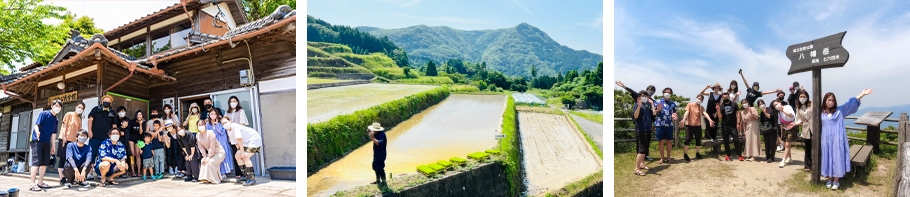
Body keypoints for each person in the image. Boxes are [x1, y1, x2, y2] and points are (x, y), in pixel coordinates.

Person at [821, 89, 872, 190]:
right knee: (828, 157)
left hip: (838, 139)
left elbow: (850, 105)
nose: (831, 102)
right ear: (824, 101)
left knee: (836, 158)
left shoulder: (840, 111)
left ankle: (836, 181)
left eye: (832, 100)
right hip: (826, 140)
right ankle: (829, 179)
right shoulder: (821, 113)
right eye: (828, 100)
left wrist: (862, 94)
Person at [29, 99, 62, 191]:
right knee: (36, 162)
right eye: (56, 106)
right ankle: (32, 183)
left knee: (44, 163)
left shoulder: (56, 119)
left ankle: (40, 182)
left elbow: (54, 134)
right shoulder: (44, 114)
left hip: (47, 142)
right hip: (37, 140)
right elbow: (36, 125)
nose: (57, 108)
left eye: (59, 106)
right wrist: (37, 132)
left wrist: (53, 146)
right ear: (52, 106)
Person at [222, 117, 263, 186]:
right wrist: (240, 152)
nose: (224, 124)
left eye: (225, 122)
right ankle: (245, 176)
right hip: (245, 143)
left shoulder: (235, 127)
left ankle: (252, 179)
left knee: (245, 157)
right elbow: (236, 143)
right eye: (222, 123)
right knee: (237, 156)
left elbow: (239, 139)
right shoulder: (229, 131)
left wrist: (243, 152)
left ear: (230, 121)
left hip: (254, 140)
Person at [88, 95, 117, 180]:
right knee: (92, 154)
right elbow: (90, 120)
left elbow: (114, 125)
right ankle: (90, 173)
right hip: (95, 136)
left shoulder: (112, 113)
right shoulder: (95, 109)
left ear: (111, 103)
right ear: (102, 101)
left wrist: (113, 136)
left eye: (108, 101)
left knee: (104, 156)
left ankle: (102, 173)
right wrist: (89, 131)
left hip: (106, 138)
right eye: (105, 100)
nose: (106, 102)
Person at [56, 102, 84, 185]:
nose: (80, 109)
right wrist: (64, 137)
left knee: (72, 160)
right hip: (64, 139)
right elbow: (64, 126)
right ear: (76, 107)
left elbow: (79, 132)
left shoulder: (79, 119)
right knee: (62, 158)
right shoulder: (69, 114)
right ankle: (62, 178)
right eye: (79, 107)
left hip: (74, 142)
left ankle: (71, 178)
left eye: (82, 108)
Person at [680, 94, 715, 161]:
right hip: (689, 125)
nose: (699, 100)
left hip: (698, 126)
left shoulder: (701, 107)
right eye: (698, 98)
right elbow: (687, 112)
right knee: (688, 139)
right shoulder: (690, 104)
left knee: (698, 140)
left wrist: (710, 120)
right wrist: (683, 120)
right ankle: (685, 154)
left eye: (701, 99)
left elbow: (705, 113)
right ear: (696, 98)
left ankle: (697, 153)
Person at [224, 96, 248, 180]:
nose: (233, 103)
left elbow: (243, 123)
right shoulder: (227, 113)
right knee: (235, 155)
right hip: (231, 137)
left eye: (234, 101)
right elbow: (224, 123)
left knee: (242, 154)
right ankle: (239, 173)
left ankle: (246, 173)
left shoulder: (241, 111)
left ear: (237, 102)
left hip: (240, 136)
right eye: (231, 101)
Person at [790, 88, 814, 171]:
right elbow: (799, 119)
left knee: (816, 148)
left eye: (804, 96)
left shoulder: (812, 104)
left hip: (814, 128)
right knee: (807, 148)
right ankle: (807, 166)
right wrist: (794, 124)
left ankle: (816, 165)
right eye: (801, 96)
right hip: (806, 129)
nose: (802, 98)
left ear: (807, 97)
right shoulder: (798, 107)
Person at [632, 91, 655, 176]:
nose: (644, 97)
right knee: (641, 150)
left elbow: (654, 113)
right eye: (643, 96)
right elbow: (635, 116)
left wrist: (652, 104)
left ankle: (642, 164)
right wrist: (639, 106)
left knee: (645, 149)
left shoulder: (648, 105)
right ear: (639, 97)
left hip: (648, 129)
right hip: (642, 130)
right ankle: (636, 169)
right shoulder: (637, 105)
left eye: (646, 95)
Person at [206, 110, 234, 178]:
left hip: (222, 142)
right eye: (212, 114)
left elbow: (222, 132)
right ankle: (217, 172)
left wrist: (217, 124)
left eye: (215, 114)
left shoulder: (220, 123)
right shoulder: (207, 124)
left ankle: (223, 173)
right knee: (216, 157)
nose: (213, 115)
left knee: (223, 157)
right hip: (213, 143)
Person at [197, 119, 226, 184]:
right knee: (203, 161)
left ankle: (215, 179)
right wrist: (204, 156)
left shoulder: (210, 133)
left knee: (210, 162)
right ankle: (204, 178)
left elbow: (212, 146)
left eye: (202, 125)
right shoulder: (198, 135)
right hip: (211, 153)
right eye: (199, 125)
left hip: (219, 152)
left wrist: (208, 157)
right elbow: (201, 147)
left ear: (205, 125)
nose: (201, 126)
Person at [654, 87, 678, 164]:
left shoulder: (673, 104)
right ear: (663, 93)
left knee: (669, 141)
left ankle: (668, 157)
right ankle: (662, 158)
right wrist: (658, 110)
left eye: (669, 92)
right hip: (659, 124)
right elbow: (653, 113)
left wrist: (674, 116)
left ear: (671, 94)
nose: (667, 93)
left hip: (669, 125)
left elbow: (674, 113)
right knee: (660, 141)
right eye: (666, 92)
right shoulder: (657, 102)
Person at [717, 92, 741, 161]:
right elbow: (720, 117)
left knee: (736, 139)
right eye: (724, 98)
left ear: (728, 97)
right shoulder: (722, 105)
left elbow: (738, 113)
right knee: (726, 141)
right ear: (722, 98)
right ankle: (728, 154)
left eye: (726, 97)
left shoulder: (734, 104)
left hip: (733, 125)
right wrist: (718, 110)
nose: (725, 99)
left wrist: (738, 123)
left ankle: (739, 154)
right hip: (725, 126)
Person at [776, 100, 797, 168]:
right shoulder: (779, 112)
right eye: (774, 105)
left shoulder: (787, 107)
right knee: (786, 144)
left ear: (780, 103)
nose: (776, 106)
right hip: (785, 129)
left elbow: (791, 115)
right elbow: (781, 124)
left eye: (777, 104)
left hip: (791, 127)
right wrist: (782, 134)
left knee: (787, 144)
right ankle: (789, 158)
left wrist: (783, 111)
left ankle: (783, 160)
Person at [128, 110, 145, 177]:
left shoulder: (143, 123)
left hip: (139, 140)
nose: (139, 116)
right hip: (131, 139)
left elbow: (141, 133)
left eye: (140, 114)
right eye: (138, 114)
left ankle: (138, 171)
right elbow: (129, 131)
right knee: (132, 155)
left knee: (138, 155)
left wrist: (140, 124)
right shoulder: (132, 122)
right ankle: (132, 171)